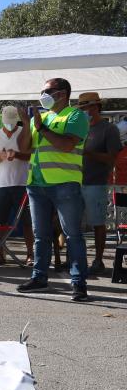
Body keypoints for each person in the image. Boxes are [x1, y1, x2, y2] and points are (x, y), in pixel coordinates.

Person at [16, 78, 90, 301]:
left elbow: (67, 145)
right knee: (41, 236)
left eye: (48, 91)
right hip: (37, 184)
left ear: (63, 93)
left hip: (65, 183)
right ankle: (39, 278)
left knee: (73, 235)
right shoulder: (42, 117)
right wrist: (27, 124)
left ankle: (78, 283)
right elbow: (24, 148)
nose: (43, 94)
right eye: (42, 90)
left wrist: (40, 127)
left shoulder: (76, 116)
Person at [78, 92, 121, 275]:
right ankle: (76, 259)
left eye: (86, 107)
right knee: (73, 224)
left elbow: (112, 159)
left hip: (96, 183)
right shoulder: (78, 129)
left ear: (96, 107)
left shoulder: (109, 129)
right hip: (74, 182)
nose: (84, 111)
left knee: (98, 223)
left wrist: (88, 153)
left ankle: (98, 260)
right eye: (82, 108)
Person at [0, 105, 34, 265]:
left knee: (27, 221)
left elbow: (31, 156)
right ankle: (0, 254)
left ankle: (30, 255)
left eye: (13, 122)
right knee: (1, 222)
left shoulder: (24, 132)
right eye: (7, 122)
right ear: (2, 120)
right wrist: (3, 156)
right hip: (1, 185)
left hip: (22, 184)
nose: (10, 125)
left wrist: (17, 155)